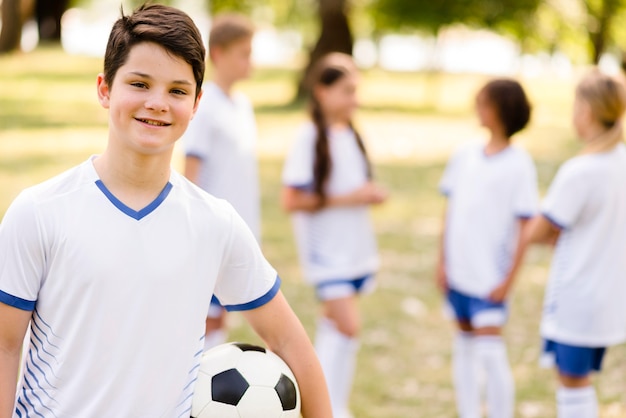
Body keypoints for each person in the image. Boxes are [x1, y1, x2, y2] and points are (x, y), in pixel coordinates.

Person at [0, 4, 331, 417]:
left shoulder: (215, 223)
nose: (157, 103)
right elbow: (5, 345)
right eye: (139, 83)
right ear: (104, 89)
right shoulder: (39, 211)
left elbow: (289, 343)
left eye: (177, 90)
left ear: (196, 104)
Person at [281, 52, 387, 418]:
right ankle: (326, 407)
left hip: (354, 248)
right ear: (322, 92)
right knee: (348, 327)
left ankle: (330, 406)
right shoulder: (309, 137)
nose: (354, 100)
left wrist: (369, 195)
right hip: (327, 254)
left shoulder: (350, 135)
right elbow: (291, 199)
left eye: (356, 91)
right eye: (347, 91)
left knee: (335, 330)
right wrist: (350, 198)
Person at [527, 70, 626, 418]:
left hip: (578, 296)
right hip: (610, 295)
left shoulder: (581, 170)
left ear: (585, 111)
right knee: (580, 382)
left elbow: (539, 230)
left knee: (571, 383)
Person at [437, 79, 538, 418]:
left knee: (491, 355)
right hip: (458, 271)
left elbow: (525, 228)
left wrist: (509, 279)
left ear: (502, 110)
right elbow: (450, 212)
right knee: (463, 348)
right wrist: (442, 262)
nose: (477, 107)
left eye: (484, 103)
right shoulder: (464, 154)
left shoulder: (519, 163)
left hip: (490, 277)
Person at [182, 13, 259, 351]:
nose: (250, 61)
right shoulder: (206, 104)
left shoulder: (242, 104)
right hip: (211, 231)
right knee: (207, 314)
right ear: (218, 53)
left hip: (240, 225)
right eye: (244, 53)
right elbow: (191, 168)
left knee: (225, 312)